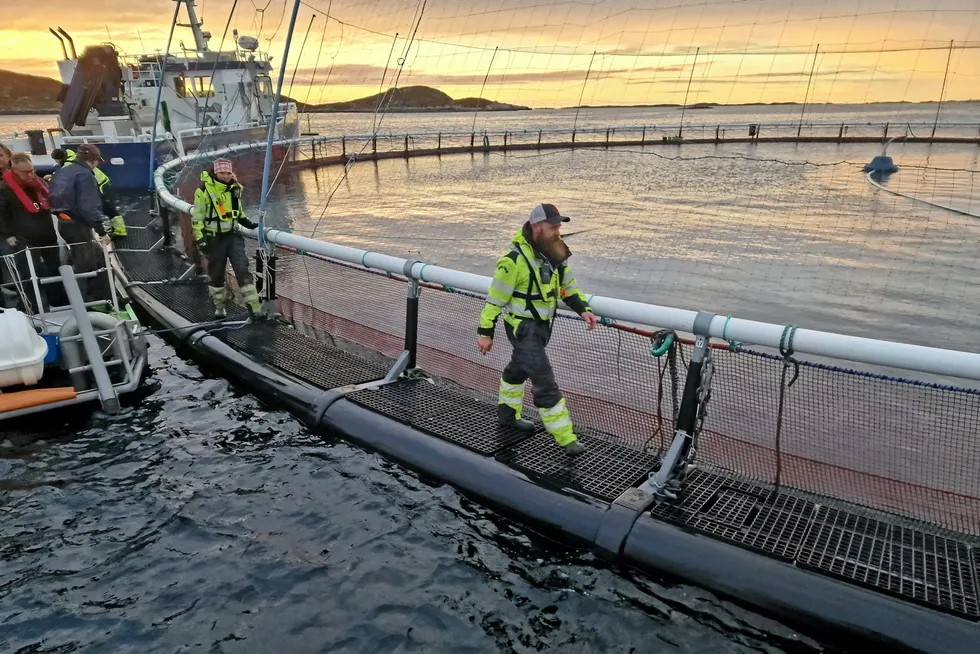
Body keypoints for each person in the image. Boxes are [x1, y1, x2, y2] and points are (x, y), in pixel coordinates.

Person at [478, 203, 599, 456]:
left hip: (543, 328)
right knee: (544, 380)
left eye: (558, 226)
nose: (557, 231)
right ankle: (566, 438)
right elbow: (495, 300)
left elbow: (568, 288)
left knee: (517, 370)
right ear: (536, 227)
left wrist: (583, 309)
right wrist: (485, 333)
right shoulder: (512, 262)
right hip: (522, 328)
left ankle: (507, 415)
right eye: (552, 226)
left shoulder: (555, 254)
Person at [191, 158, 262, 319]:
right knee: (216, 274)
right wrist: (201, 239)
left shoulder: (235, 189)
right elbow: (197, 218)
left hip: (233, 237)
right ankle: (220, 307)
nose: (226, 176)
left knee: (243, 271)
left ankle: (255, 309)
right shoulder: (203, 191)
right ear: (216, 172)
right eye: (223, 172)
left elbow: (238, 213)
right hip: (214, 239)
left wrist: (249, 224)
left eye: (228, 172)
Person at [47, 143, 113, 306]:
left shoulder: (62, 172)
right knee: (86, 264)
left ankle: (105, 294)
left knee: (96, 256)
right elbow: (88, 206)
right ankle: (87, 303)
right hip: (77, 226)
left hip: (63, 223)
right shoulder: (85, 175)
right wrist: (102, 231)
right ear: (95, 160)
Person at [0, 153, 67, 309]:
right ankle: (34, 306)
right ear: (15, 171)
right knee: (29, 273)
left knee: (54, 268)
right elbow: (1, 215)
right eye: (25, 172)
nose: (30, 175)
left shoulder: (40, 184)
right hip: (23, 238)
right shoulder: (5, 190)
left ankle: (58, 300)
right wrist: (8, 235)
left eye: (31, 170)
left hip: (46, 233)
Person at [53, 148, 126, 238]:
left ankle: (120, 231)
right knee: (108, 207)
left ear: (59, 159)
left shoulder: (68, 165)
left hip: (99, 186)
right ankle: (117, 228)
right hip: (103, 181)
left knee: (106, 208)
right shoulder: (74, 155)